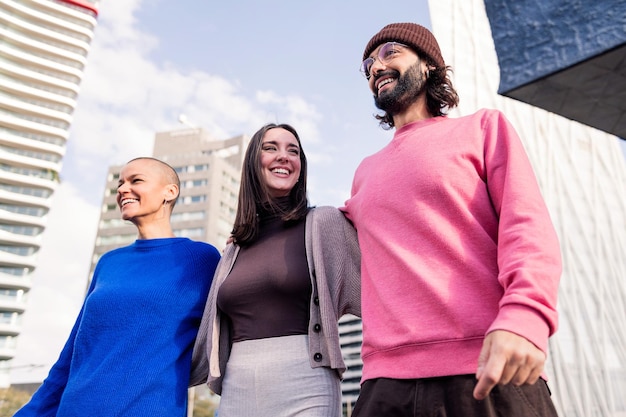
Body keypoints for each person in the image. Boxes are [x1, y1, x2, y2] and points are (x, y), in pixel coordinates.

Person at [341, 22, 562, 416]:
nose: (376, 67)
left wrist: (527, 314)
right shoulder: (363, 172)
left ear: (428, 65)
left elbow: (526, 225)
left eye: (390, 52)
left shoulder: (482, 128)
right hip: (384, 386)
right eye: (368, 64)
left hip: (486, 368)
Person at [15, 157, 221, 416]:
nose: (122, 189)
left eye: (136, 181)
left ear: (170, 191)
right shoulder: (109, 263)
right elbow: (72, 354)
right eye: (120, 184)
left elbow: (227, 334)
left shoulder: (201, 259)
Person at [189, 123, 361, 416]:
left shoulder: (324, 223)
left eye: (293, 151)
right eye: (271, 148)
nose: (284, 156)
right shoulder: (233, 249)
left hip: (307, 381)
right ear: (254, 162)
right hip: (236, 385)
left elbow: (377, 293)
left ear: (300, 168)